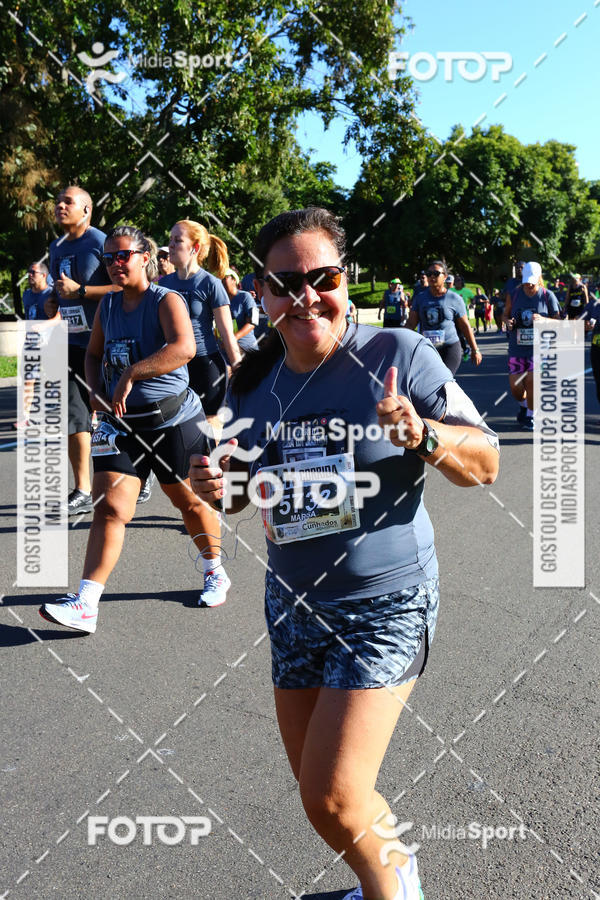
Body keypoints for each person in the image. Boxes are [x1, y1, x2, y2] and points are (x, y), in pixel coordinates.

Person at [190, 207, 499, 900]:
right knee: (319, 793)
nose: (304, 295)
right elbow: (241, 498)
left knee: (332, 795)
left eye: (321, 277)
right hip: (293, 605)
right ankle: (390, 873)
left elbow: (486, 465)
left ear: (345, 280)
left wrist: (422, 434)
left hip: (385, 604)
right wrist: (220, 483)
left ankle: (396, 892)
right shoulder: (252, 382)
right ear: (260, 293)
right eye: (284, 281)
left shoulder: (397, 354)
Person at [39, 226, 231, 633]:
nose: (114, 264)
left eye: (123, 255)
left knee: (190, 504)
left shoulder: (166, 300)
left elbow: (184, 348)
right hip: (124, 425)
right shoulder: (108, 306)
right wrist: (94, 390)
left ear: (146, 257)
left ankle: (214, 570)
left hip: (174, 422)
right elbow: (92, 354)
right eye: (108, 258)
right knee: (109, 508)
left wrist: (132, 372)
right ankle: (86, 602)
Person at [44, 186, 116, 516]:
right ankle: (83, 489)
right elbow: (62, 290)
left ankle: (139, 475)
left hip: (110, 341)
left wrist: (83, 290)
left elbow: (124, 285)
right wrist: (53, 300)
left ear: (86, 210)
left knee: (122, 412)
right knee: (75, 416)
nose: (60, 206)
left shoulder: (101, 242)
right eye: (58, 201)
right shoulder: (55, 247)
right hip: (72, 342)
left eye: (67, 202)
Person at [161, 220, 242, 436]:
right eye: (170, 239)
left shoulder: (210, 284)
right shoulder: (163, 284)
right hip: (173, 367)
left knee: (208, 433)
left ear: (195, 248)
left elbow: (227, 336)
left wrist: (243, 374)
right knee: (178, 432)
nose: (170, 245)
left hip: (206, 367)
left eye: (177, 240)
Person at [502, 261, 560, 430]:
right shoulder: (514, 294)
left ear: (539, 278)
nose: (529, 284)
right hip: (517, 348)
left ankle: (530, 415)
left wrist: (545, 320)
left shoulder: (547, 296)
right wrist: (508, 322)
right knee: (516, 388)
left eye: (532, 282)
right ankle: (525, 406)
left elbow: (559, 322)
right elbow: (504, 315)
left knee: (531, 380)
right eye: (526, 281)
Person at [405, 262, 481, 375]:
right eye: (429, 273)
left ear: (445, 277)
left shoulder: (454, 298)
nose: (431, 277)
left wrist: (475, 349)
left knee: (444, 380)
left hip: (449, 347)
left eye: (435, 273)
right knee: (426, 383)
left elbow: (465, 326)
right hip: (427, 348)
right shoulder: (420, 298)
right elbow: (411, 324)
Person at [14, 263, 57, 429]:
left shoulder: (50, 294)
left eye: (33, 272)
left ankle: (91, 415)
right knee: (28, 381)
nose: (29, 275)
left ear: (44, 275)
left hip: (51, 345)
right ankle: (25, 417)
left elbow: (60, 316)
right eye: (28, 272)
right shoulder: (26, 295)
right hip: (31, 344)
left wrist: (44, 326)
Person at [221, 267, 260, 355]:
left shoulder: (246, 296)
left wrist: (233, 338)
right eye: (220, 278)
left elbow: (253, 322)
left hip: (246, 350)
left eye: (225, 277)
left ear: (234, 280)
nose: (221, 280)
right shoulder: (219, 300)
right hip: (225, 351)